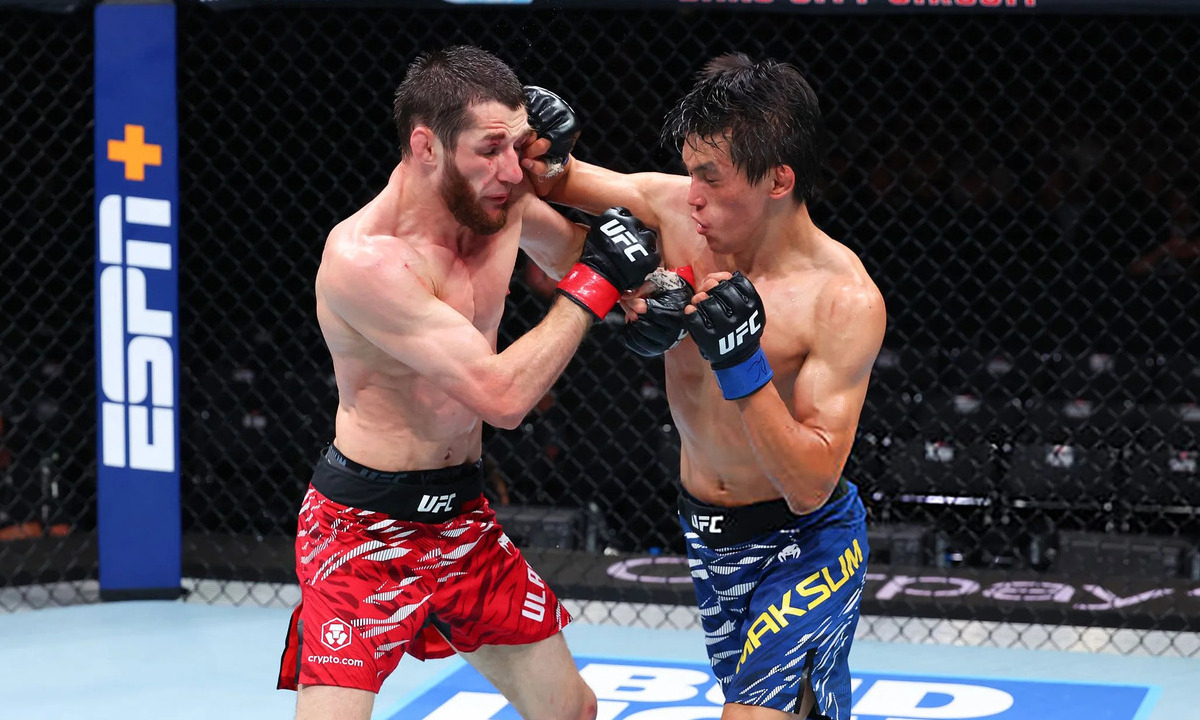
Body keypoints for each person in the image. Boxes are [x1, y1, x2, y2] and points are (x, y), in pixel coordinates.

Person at [276, 45, 661, 720]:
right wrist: (597, 282)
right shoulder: (365, 260)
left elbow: (586, 258)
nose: (512, 170)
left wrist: (653, 291)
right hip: (361, 532)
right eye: (489, 149)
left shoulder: (500, 205)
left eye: (517, 146)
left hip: (461, 517)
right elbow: (503, 396)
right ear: (425, 146)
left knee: (571, 711)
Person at [526, 54, 886, 719]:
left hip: (806, 542)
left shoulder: (842, 300)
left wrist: (740, 362)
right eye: (690, 169)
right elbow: (549, 181)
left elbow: (810, 485)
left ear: (778, 179)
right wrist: (537, 144)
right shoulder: (676, 210)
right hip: (707, 535)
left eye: (711, 177)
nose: (691, 194)